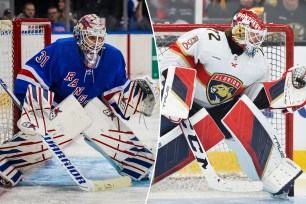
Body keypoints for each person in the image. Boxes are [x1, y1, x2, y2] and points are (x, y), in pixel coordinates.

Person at [157, 8, 305, 197]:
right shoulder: (205, 38)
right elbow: (171, 58)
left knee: (244, 115)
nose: (257, 41)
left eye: (258, 37)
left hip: (221, 112)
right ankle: (153, 155)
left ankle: (272, 173)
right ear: (239, 31)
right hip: (189, 103)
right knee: (178, 77)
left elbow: (252, 99)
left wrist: (280, 92)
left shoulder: (259, 62)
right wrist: (176, 93)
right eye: (253, 36)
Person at [0, 14, 157, 187]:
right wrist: (36, 111)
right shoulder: (61, 50)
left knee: (94, 113)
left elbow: (115, 95)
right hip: (56, 110)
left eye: (99, 38)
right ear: (79, 35)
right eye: (91, 37)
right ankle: (6, 160)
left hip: (87, 109)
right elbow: (29, 78)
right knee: (72, 117)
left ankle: (137, 163)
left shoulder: (113, 57)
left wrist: (132, 98)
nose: (96, 43)